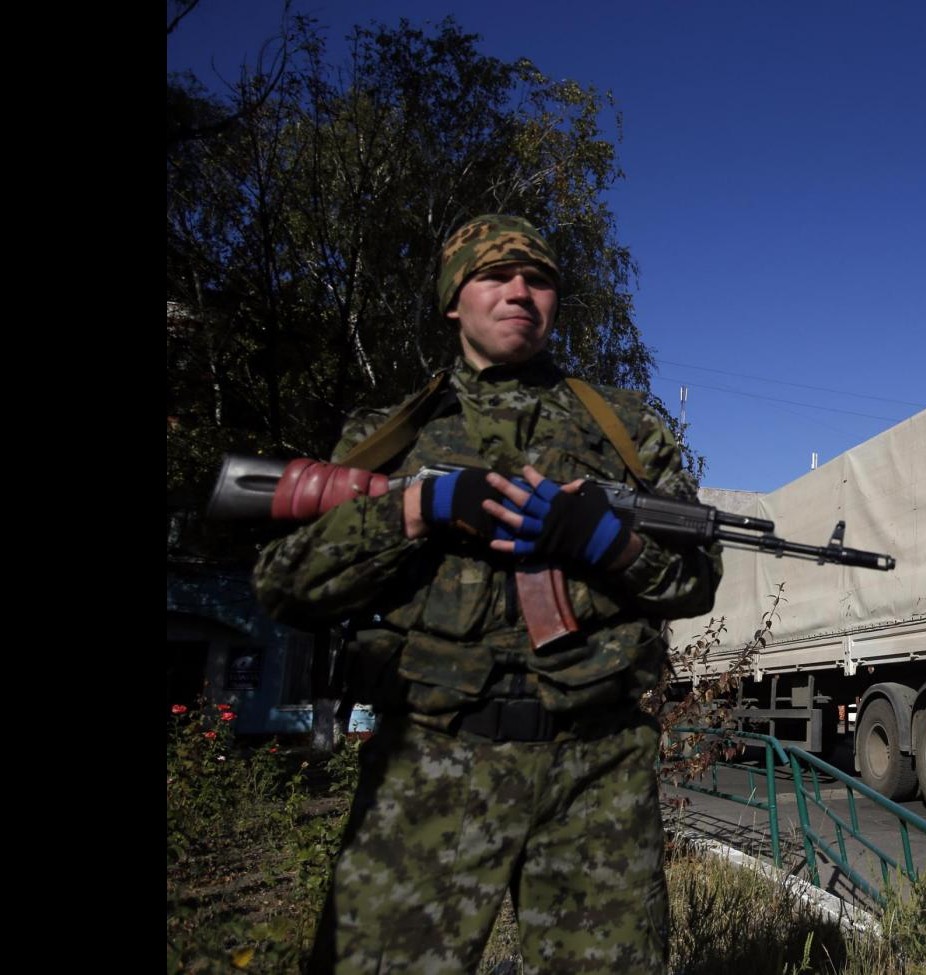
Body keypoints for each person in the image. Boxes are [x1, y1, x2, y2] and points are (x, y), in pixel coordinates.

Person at [252, 213, 722, 974]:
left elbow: (695, 582)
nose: (518, 292)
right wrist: (418, 508)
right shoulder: (394, 435)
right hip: (431, 760)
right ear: (453, 300)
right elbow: (285, 585)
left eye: (537, 279)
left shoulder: (626, 431)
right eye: (494, 276)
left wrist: (605, 542)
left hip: (596, 766)